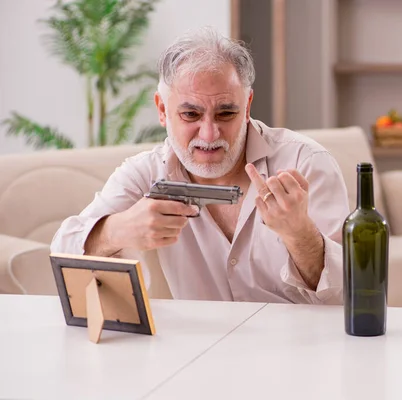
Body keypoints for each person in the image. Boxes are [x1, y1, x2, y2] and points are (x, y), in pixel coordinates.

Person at [50, 27, 350, 305]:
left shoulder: (305, 163)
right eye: (191, 115)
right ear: (162, 110)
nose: (209, 134)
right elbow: (62, 253)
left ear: (246, 107)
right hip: (199, 351)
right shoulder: (146, 173)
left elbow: (346, 295)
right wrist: (117, 230)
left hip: (300, 350)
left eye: (226, 113)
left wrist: (300, 235)